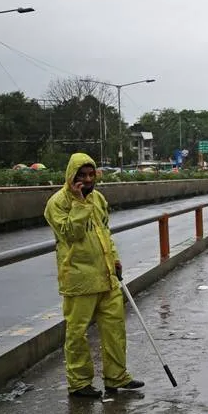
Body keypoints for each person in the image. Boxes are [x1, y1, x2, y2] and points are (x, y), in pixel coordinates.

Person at [43, 153, 143, 399]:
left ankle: (116, 376)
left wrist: (115, 259)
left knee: (114, 329)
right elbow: (70, 234)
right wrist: (78, 203)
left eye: (91, 175)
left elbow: (105, 233)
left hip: (106, 275)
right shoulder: (57, 203)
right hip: (78, 279)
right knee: (77, 333)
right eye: (82, 176)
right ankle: (79, 383)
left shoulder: (98, 198)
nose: (88, 180)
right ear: (71, 177)